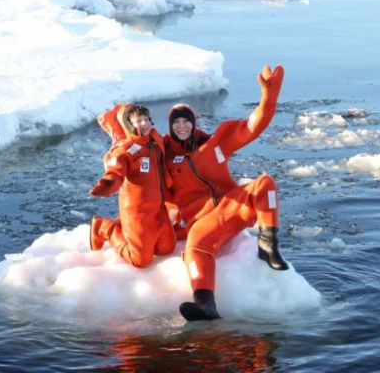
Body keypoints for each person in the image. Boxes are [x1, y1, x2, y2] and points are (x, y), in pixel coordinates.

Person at [163, 65, 289, 321]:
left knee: (265, 184)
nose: (182, 126)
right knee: (197, 245)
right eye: (176, 122)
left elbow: (253, 127)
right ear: (170, 125)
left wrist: (269, 97)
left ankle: (268, 244)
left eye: (186, 121)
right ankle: (205, 303)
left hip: (232, 205)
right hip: (202, 221)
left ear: (194, 122)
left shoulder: (215, 142)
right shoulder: (162, 154)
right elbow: (136, 158)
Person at [88, 103, 176, 268]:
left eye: (146, 119)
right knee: (140, 260)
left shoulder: (153, 142)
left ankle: (123, 226)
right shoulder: (126, 149)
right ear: (129, 125)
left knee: (166, 248)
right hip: (137, 211)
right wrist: (108, 183)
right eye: (138, 121)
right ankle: (104, 227)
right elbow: (116, 168)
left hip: (158, 209)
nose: (145, 123)